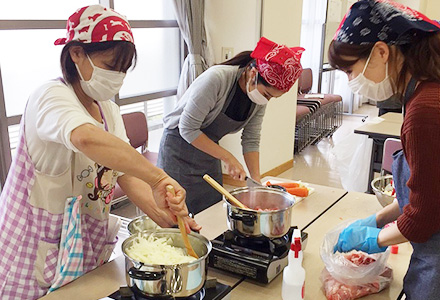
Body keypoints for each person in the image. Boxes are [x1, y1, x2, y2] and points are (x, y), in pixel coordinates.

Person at [0, 5, 199, 299]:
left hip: (81, 243)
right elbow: (85, 139)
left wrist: (166, 217)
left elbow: (122, 173)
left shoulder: (108, 109)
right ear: (76, 53)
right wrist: (159, 179)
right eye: (110, 66)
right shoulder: (50, 96)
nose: (118, 78)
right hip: (33, 245)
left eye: (123, 70)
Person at [329, 1, 440, 299]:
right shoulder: (422, 90)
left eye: (350, 70)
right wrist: (376, 219)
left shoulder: (425, 111)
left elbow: (424, 215)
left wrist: (374, 238)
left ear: (381, 51)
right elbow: (428, 188)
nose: (351, 81)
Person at [157, 37, 304, 214]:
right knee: (178, 214)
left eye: (272, 97)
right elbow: (188, 128)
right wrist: (228, 157)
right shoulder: (216, 79)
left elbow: (251, 139)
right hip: (178, 148)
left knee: (210, 211)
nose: (266, 100)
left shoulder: (258, 100)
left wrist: (256, 184)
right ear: (252, 73)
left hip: (208, 151)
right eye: (266, 94)